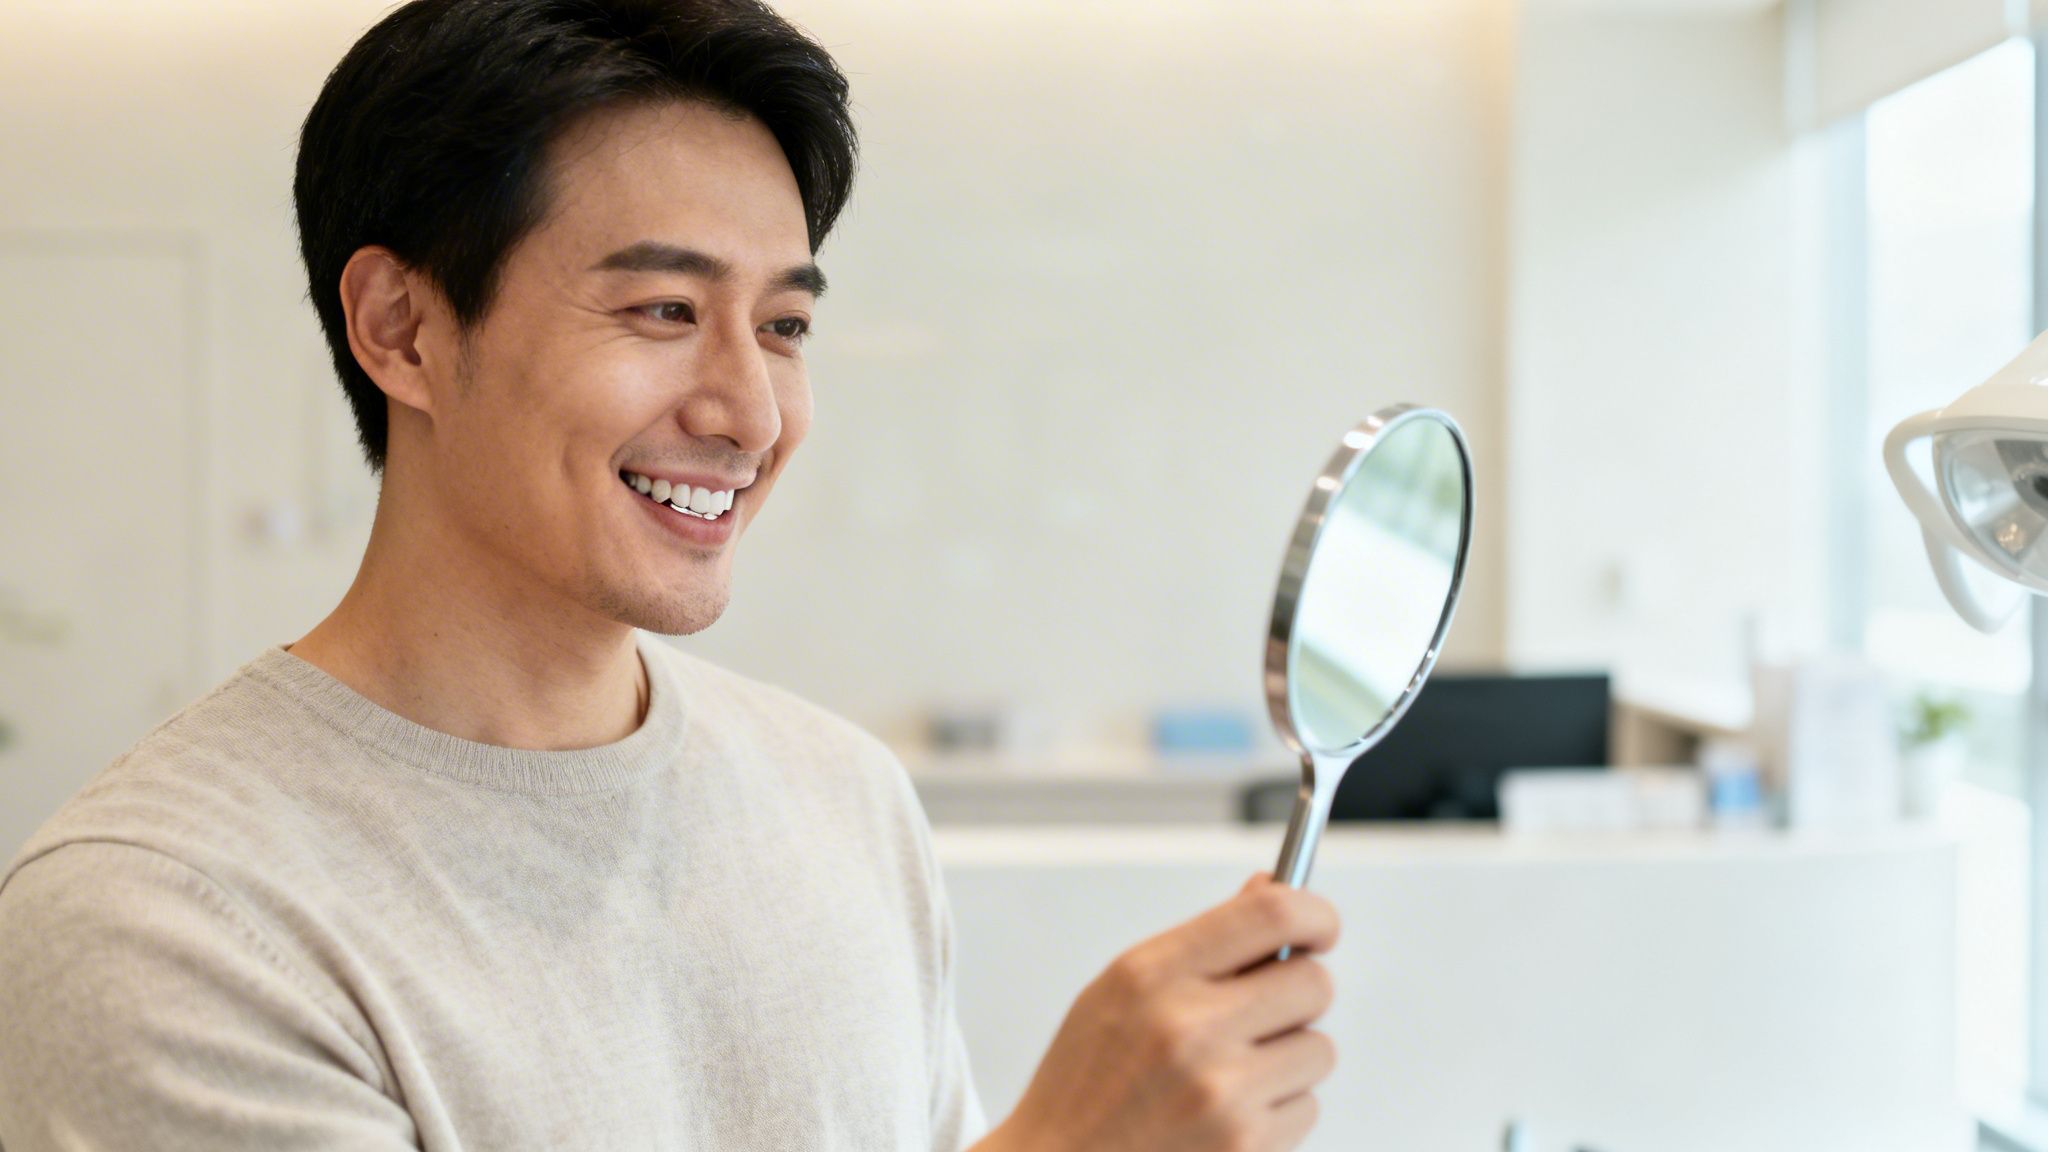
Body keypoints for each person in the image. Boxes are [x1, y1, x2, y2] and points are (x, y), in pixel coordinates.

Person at [0, 1, 1340, 1148]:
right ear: (401, 329)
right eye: (663, 312)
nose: (750, 411)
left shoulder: (845, 802)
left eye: (785, 325)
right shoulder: (164, 922)